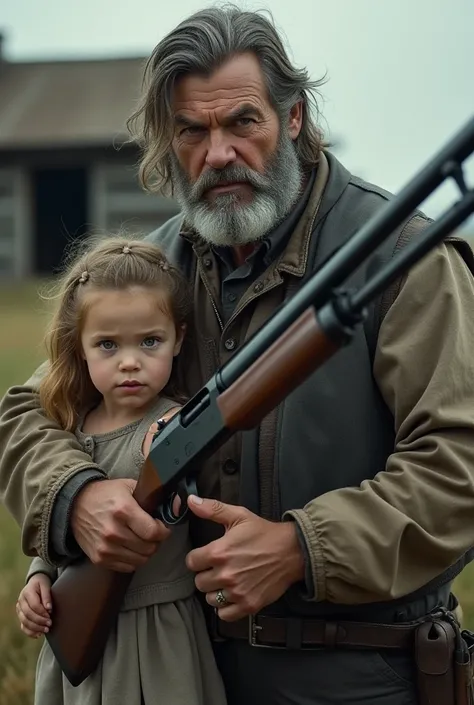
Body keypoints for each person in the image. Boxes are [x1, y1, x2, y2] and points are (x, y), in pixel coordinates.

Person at [1, 5, 474, 704]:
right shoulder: (152, 268)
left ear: (292, 117)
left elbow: (457, 463)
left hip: (359, 678)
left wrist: (301, 547)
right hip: (183, 673)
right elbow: (26, 409)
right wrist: (79, 497)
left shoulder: (406, 257)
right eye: (192, 130)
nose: (218, 152)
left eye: (241, 122)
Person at [12, 234, 227, 705]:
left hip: (159, 639)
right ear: (79, 348)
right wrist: (39, 579)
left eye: (150, 341)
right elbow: (62, 530)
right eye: (107, 344)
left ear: (179, 340)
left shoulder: (178, 427)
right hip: (81, 636)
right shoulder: (68, 421)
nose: (130, 362)